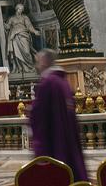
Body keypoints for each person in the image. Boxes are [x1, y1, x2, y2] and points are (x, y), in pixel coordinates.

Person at [29, 49, 87, 182]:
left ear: (44, 62)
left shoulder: (47, 83)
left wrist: (32, 112)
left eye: (38, 62)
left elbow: (39, 119)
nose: (37, 66)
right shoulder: (63, 82)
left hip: (53, 145)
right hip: (67, 140)